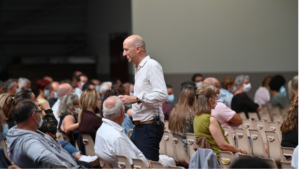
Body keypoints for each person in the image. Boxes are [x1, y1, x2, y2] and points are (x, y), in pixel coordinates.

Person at [120, 35, 168, 161]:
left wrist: (136, 99)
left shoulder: (151, 65)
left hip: (150, 126)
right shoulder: (139, 67)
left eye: (126, 50)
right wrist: (129, 100)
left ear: (138, 49)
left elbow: (163, 94)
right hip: (140, 126)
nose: (124, 54)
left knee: (148, 164)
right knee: (139, 164)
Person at [6, 99, 81, 168]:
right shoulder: (27, 141)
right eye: (39, 112)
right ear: (34, 116)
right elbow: (46, 156)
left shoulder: (27, 132)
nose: (41, 115)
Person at [193, 84, 247, 162]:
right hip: (221, 159)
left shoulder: (196, 118)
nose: (217, 99)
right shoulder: (210, 119)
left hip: (207, 159)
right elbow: (223, 146)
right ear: (210, 100)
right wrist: (240, 150)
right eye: (215, 97)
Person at [95, 96, 149, 168]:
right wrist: (149, 165)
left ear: (103, 112)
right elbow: (133, 165)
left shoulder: (101, 129)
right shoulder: (117, 137)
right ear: (123, 112)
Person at [169, 86, 196, 154]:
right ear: (194, 98)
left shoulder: (173, 112)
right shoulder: (193, 114)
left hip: (176, 150)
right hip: (191, 151)